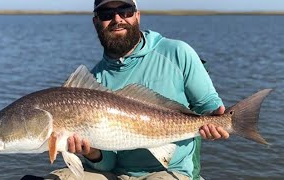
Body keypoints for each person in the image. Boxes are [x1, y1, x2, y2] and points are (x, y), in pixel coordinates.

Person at [46, 0, 230, 180]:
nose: (117, 19)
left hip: (171, 171)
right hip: (114, 174)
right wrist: (92, 152)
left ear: (138, 15)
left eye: (125, 10)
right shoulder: (91, 83)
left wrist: (215, 119)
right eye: (106, 14)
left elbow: (209, 104)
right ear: (96, 22)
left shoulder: (177, 52)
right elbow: (107, 164)